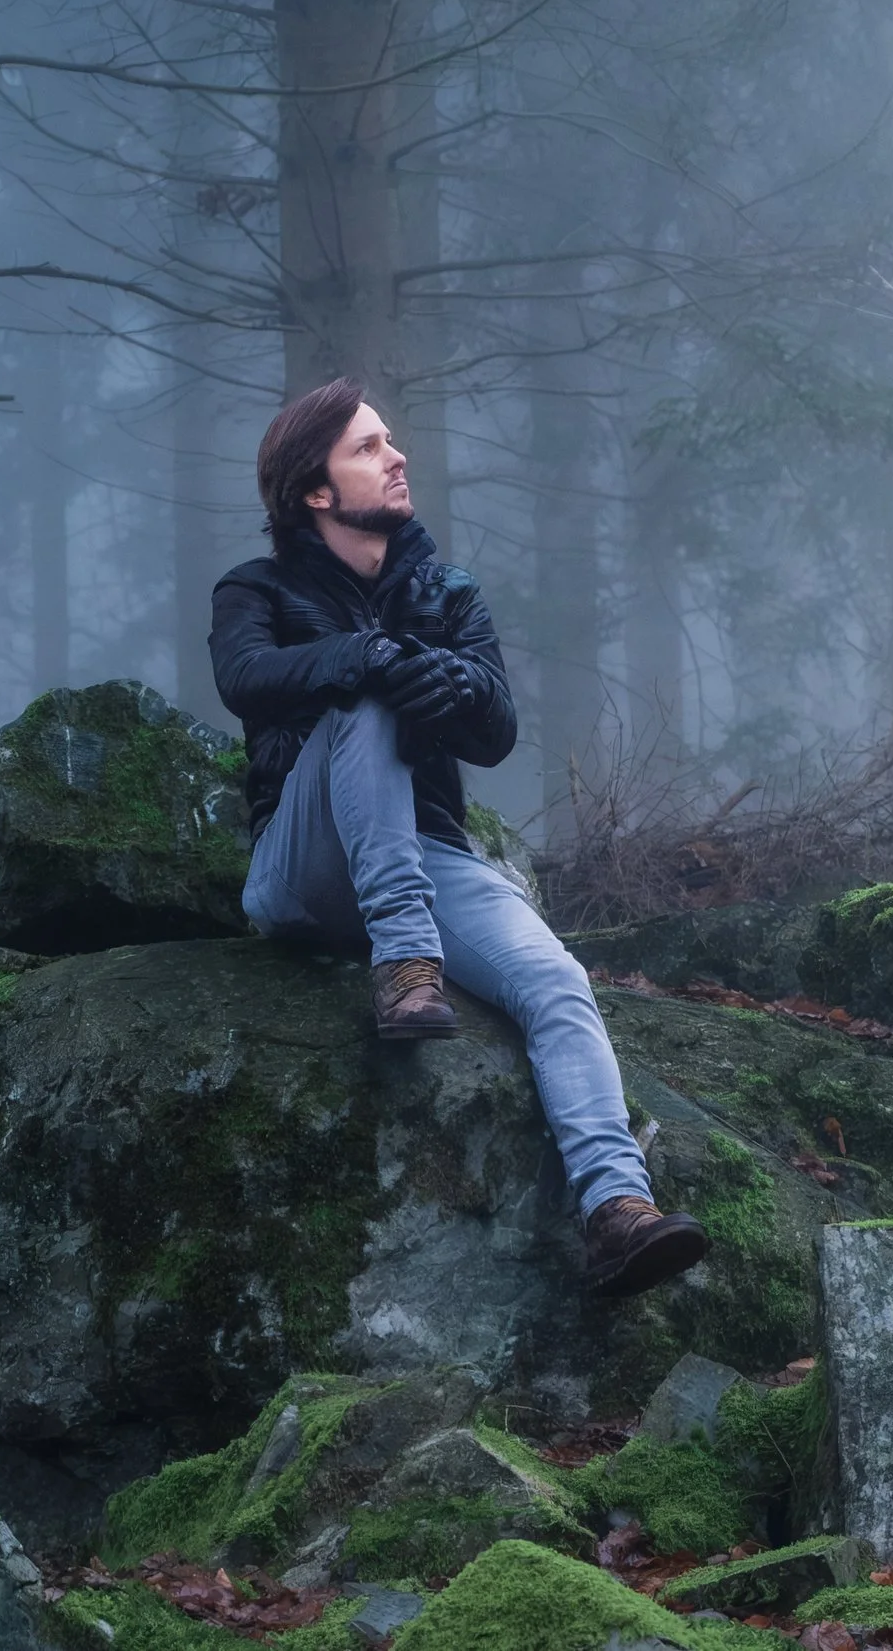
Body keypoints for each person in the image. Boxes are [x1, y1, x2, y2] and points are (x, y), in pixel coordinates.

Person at [209, 375, 709, 1297]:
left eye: (391, 439)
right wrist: (369, 657)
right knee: (363, 695)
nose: (397, 456)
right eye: (368, 447)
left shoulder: (447, 591)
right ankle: (406, 966)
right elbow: (244, 677)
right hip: (305, 865)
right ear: (313, 490)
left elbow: (496, 733)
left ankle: (616, 1208)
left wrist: (454, 683)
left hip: (425, 851)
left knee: (555, 980)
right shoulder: (256, 590)